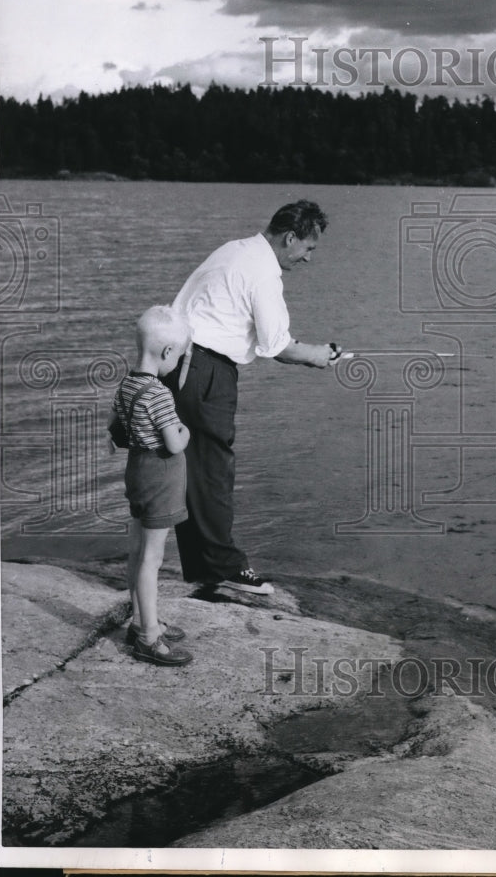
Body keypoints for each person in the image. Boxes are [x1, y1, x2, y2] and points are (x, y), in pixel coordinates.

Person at [165, 199, 337, 594]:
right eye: (308, 248)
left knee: (192, 471)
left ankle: (205, 569)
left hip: (177, 364)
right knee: (213, 472)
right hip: (206, 371)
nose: (308, 258)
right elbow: (278, 346)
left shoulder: (234, 250)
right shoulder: (263, 272)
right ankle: (225, 568)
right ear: (290, 238)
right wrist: (317, 355)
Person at [109, 305, 193, 667]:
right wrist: (186, 431)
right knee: (152, 558)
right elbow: (173, 443)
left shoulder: (127, 384)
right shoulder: (159, 393)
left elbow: (115, 429)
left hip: (137, 472)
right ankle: (148, 637)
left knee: (137, 549)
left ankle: (140, 621)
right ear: (168, 351)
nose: (176, 364)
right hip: (160, 477)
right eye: (179, 356)